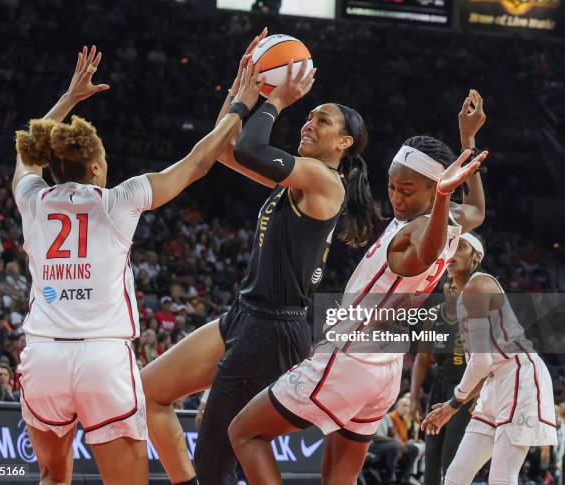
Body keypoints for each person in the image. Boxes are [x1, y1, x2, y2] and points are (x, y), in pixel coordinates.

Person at [13, 45, 262, 485]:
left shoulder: (31, 200)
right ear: (93, 165)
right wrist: (240, 104)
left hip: (44, 355)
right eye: (104, 159)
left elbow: (28, 155)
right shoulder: (117, 201)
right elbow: (198, 163)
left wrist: (69, 98)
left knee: (53, 477)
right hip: (102, 357)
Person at [141, 29, 381, 485]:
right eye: (307, 116)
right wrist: (241, 91)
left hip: (274, 328)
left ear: (345, 143)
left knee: (216, 452)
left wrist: (278, 102)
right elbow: (226, 149)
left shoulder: (325, 181)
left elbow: (251, 147)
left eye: (322, 120)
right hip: (245, 315)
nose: (309, 124)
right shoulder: (298, 177)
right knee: (149, 393)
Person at [228, 91, 489, 484]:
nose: (396, 197)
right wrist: (469, 144)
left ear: (434, 187)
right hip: (384, 373)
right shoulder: (453, 218)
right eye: (392, 185)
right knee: (340, 477)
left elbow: (423, 252)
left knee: (244, 433)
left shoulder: (421, 230)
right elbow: (479, 211)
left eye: (408, 190)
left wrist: (440, 194)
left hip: (349, 358)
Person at [421, 233, 558, 484]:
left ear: (476, 257)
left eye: (460, 247)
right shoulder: (463, 299)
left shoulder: (478, 285)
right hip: (495, 382)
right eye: (449, 246)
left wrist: (453, 403)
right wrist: (455, 407)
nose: (452, 252)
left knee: (501, 476)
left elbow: (481, 362)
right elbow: (484, 369)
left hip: (520, 376)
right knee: (455, 476)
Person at [410, 279, 470, 485]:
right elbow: (421, 359)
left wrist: (478, 396)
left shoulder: (475, 316)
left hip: (464, 393)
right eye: (449, 283)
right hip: (438, 390)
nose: (453, 288)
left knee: (450, 459)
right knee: (432, 456)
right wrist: (413, 398)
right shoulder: (433, 315)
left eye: (457, 284)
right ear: (443, 287)